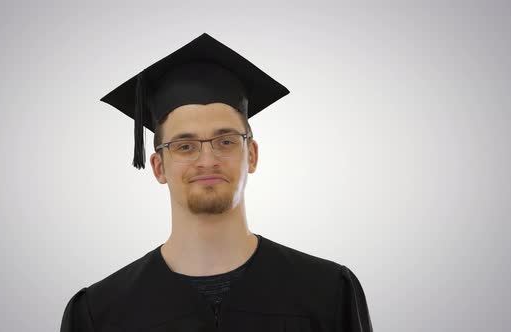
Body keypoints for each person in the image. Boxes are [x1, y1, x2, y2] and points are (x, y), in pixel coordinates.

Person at [60, 32, 373, 332]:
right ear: (158, 167)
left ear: (251, 154)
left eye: (225, 141)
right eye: (185, 146)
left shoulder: (327, 293)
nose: (207, 160)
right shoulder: (101, 313)